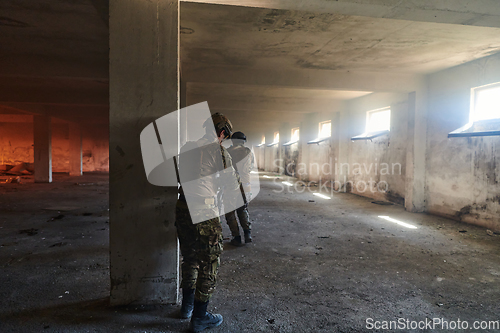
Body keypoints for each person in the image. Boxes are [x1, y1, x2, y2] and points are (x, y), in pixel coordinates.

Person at [175, 113, 241, 332]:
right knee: (210, 261)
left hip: (183, 206)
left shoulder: (187, 147)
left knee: (190, 258)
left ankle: (187, 308)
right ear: (222, 133)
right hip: (203, 209)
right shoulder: (220, 152)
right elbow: (232, 185)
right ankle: (200, 318)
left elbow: (179, 175)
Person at [224, 131, 254, 246]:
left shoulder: (227, 152)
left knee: (230, 213)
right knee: (243, 209)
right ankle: (247, 233)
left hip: (231, 187)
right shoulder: (248, 152)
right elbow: (250, 167)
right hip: (246, 187)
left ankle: (236, 237)